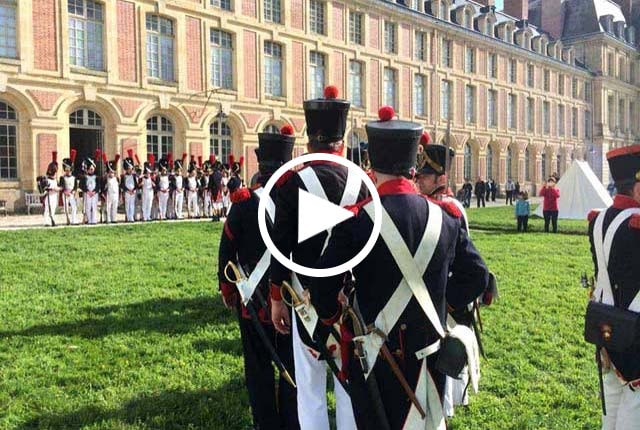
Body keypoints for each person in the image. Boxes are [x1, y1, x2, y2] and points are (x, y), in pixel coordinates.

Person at [310, 106, 489, 429]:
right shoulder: (444, 219)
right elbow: (477, 276)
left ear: (373, 166)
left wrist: (333, 314)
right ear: (413, 165)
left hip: (376, 359)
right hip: (430, 357)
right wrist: (441, 304)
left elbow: (323, 289)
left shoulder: (356, 220)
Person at [270, 85, 361, 430]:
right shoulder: (361, 183)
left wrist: (277, 296)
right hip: (348, 297)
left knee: (308, 386)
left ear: (309, 144)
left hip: (304, 296)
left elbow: (280, 247)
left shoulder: (291, 183)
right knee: (349, 380)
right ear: (340, 144)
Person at [218, 126, 300, 430]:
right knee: (292, 368)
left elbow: (226, 250)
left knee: (257, 370)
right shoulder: (300, 201)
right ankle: (292, 422)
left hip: (251, 303)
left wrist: (228, 292)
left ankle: (266, 423)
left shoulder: (242, 204)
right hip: (291, 299)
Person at [587, 144, 640, 430]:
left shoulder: (597, 220)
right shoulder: (636, 225)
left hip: (608, 327)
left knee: (613, 406)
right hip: (636, 334)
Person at [79, 151, 101, 225]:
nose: (91, 170)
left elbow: (98, 185)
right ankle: (88, 219)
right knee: (87, 207)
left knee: (94, 207)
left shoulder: (96, 177)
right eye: (90, 169)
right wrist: (87, 191)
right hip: (87, 193)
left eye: (92, 169)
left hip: (94, 194)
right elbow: (82, 186)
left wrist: (94, 191)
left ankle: (94, 220)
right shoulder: (84, 177)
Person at [59, 150, 79, 225]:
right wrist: (65, 191)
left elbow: (75, 186)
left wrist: (73, 191)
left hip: (71, 193)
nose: (67, 172)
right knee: (66, 208)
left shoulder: (74, 178)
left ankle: (74, 220)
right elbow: (61, 186)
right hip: (65, 193)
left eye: (69, 170)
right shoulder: (62, 178)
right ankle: (67, 219)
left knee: (74, 207)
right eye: (66, 170)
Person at [40, 151, 59, 227]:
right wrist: (51, 189)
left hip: (54, 196)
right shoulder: (47, 180)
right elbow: (44, 188)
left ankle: (52, 220)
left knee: (53, 208)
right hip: (49, 196)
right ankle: (46, 221)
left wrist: (57, 189)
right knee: (48, 208)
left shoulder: (55, 180)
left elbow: (59, 186)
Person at [121, 150, 138, 223]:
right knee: (127, 205)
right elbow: (122, 185)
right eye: (129, 169)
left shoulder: (134, 176)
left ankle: (131, 217)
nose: (130, 170)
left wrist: (133, 190)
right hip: (127, 192)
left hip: (133, 192)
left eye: (131, 169)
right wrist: (128, 190)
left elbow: (136, 184)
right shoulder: (124, 176)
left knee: (132, 204)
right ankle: (128, 217)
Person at [102, 155, 120, 223]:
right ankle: (108, 219)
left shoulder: (117, 179)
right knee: (108, 207)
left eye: (112, 172)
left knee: (114, 207)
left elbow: (119, 186)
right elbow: (104, 187)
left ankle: (114, 219)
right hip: (109, 194)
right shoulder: (106, 179)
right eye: (110, 172)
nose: (111, 173)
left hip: (115, 194)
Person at [140, 156, 155, 222]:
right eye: (148, 173)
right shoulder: (143, 178)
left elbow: (155, 185)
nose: (149, 174)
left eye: (149, 173)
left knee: (149, 204)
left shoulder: (151, 178)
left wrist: (153, 184)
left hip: (150, 192)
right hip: (145, 192)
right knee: (144, 204)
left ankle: (148, 216)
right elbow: (139, 185)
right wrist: (141, 183)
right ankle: (144, 216)